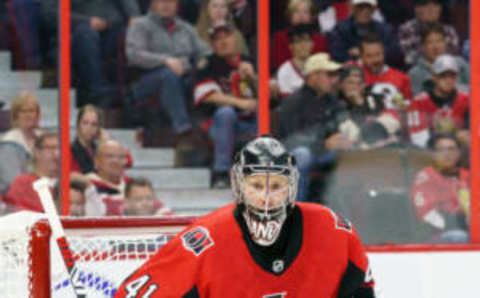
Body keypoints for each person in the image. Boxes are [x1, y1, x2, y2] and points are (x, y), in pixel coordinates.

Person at [114, 135, 376, 297]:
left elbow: (361, 293)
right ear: (240, 186)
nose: (266, 198)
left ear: (292, 187)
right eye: (257, 186)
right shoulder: (204, 241)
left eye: (276, 186)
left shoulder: (334, 233)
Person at [277, 53, 357, 202]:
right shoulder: (293, 102)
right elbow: (291, 141)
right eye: (329, 74)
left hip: (326, 153)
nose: (335, 80)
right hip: (295, 155)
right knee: (301, 155)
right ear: (313, 76)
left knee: (355, 151)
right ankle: (295, 209)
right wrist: (324, 144)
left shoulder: (332, 101)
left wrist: (349, 136)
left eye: (335, 75)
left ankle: (349, 213)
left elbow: (344, 121)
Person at [125, 0, 210, 136]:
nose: (165, 5)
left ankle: (207, 127)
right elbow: (134, 55)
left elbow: (205, 52)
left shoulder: (186, 28)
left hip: (182, 76)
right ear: (152, 4)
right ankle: (182, 127)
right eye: (161, 1)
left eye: (170, 1)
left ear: (177, 5)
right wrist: (165, 60)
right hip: (146, 79)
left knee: (203, 76)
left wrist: (202, 61)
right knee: (168, 75)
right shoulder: (140, 25)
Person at [193, 22, 257, 188]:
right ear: (212, 44)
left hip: (249, 122)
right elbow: (206, 95)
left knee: (265, 115)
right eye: (217, 39)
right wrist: (240, 103)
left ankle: (261, 173)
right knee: (226, 112)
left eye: (226, 36)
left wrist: (252, 78)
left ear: (235, 38)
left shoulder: (250, 61)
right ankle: (221, 173)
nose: (222, 42)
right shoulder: (207, 64)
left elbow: (269, 95)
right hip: (218, 125)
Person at [43, 0, 141, 107]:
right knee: (86, 33)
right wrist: (86, 21)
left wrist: (134, 16)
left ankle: (133, 95)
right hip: (75, 33)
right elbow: (49, 14)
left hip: (111, 29)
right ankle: (99, 93)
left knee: (138, 32)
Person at [411, 133, 469, 243]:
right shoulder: (426, 177)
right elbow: (426, 213)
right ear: (432, 154)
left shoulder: (469, 176)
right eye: (441, 150)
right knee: (459, 236)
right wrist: (452, 223)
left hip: (470, 230)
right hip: (439, 235)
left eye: (452, 149)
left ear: (458, 153)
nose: (447, 154)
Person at [408, 54, 469, 148]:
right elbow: (417, 139)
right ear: (434, 77)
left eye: (452, 76)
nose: (448, 80)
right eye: (443, 76)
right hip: (430, 151)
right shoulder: (418, 102)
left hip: (460, 150)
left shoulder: (466, 100)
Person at [338, 66, 401, 147]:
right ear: (341, 85)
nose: (355, 86)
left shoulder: (374, 98)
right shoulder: (336, 102)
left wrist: (359, 102)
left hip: (377, 139)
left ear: (364, 86)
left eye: (359, 83)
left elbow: (372, 122)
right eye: (350, 82)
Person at [328, 0, 401, 67]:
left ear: (374, 9)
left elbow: (395, 53)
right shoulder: (340, 29)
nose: (365, 11)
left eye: (368, 7)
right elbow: (336, 55)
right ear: (352, 8)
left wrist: (366, 53)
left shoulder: (385, 29)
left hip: (380, 69)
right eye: (360, 7)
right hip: (350, 72)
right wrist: (364, 58)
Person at [3, 132, 59, 212]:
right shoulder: (23, 183)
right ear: (36, 152)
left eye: (59, 148)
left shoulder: (68, 183)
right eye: (50, 148)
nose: (56, 154)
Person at [408, 23, 469, 96]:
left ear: (445, 43)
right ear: (422, 47)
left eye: (439, 41)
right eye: (430, 42)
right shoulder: (414, 73)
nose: (436, 47)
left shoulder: (460, 63)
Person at [70, 104, 133, 174]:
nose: (89, 128)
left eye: (94, 124)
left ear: (99, 128)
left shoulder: (97, 147)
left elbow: (128, 162)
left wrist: (109, 141)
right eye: (85, 123)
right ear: (78, 124)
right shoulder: (71, 150)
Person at [399, 0, 459, 66]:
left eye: (436, 4)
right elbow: (409, 59)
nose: (431, 9)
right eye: (425, 4)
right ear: (416, 9)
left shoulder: (449, 30)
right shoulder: (407, 29)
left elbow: (453, 56)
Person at [271, 0, 328, 70]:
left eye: (305, 12)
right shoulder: (280, 37)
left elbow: (322, 65)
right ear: (290, 15)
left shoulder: (320, 39)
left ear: (311, 16)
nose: (301, 15)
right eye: (296, 11)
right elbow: (278, 64)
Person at [358, 34, 412, 101]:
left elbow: (408, 106)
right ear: (361, 57)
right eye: (369, 56)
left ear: (384, 53)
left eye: (378, 54)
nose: (375, 60)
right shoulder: (354, 78)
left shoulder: (402, 78)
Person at [84, 139, 130, 216]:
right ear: (96, 161)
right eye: (109, 156)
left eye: (120, 157)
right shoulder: (85, 185)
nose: (115, 161)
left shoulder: (131, 185)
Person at [275, 24, 313, 97]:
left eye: (306, 40)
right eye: (298, 41)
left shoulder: (320, 66)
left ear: (312, 44)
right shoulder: (284, 71)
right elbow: (287, 102)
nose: (303, 45)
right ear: (291, 46)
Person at [1, 91, 43, 156]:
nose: (28, 115)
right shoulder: (9, 141)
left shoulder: (42, 136)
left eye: (31, 111)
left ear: (37, 114)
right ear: (16, 115)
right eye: (23, 111)